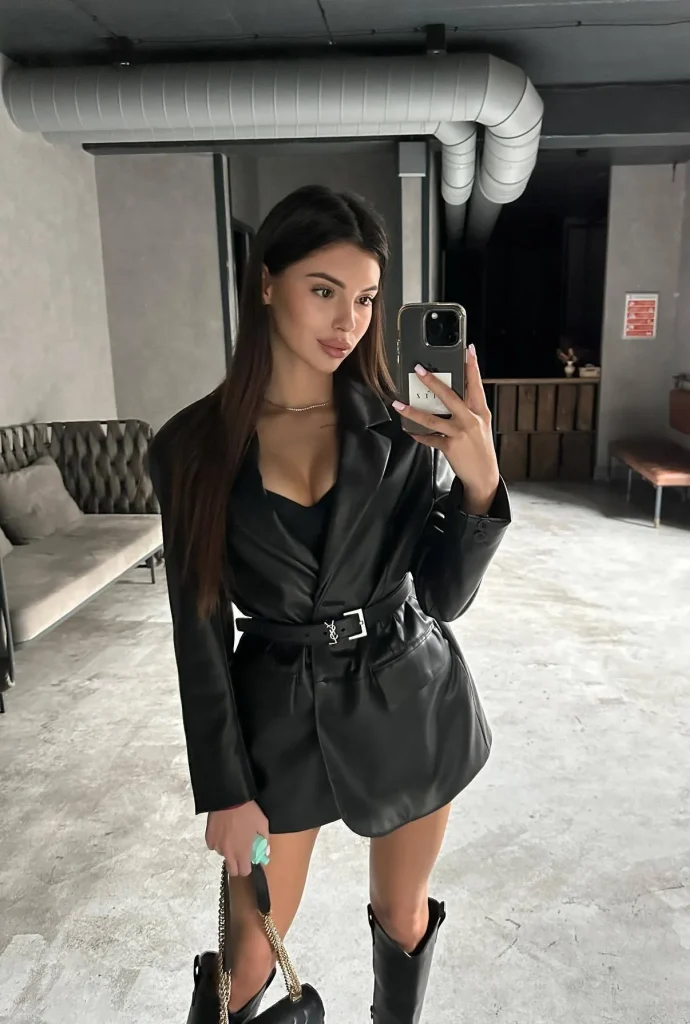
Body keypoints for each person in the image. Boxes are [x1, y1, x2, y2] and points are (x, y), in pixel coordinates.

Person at [148, 184, 511, 1023]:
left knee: (403, 916)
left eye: (367, 299)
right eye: (324, 290)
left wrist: (479, 480)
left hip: (408, 692)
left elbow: (444, 596)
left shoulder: (401, 428)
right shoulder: (192, 448)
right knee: (247, 958)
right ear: (266, 282)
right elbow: (198, 630)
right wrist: (225, 791)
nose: (348, 321)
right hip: (277, 711)